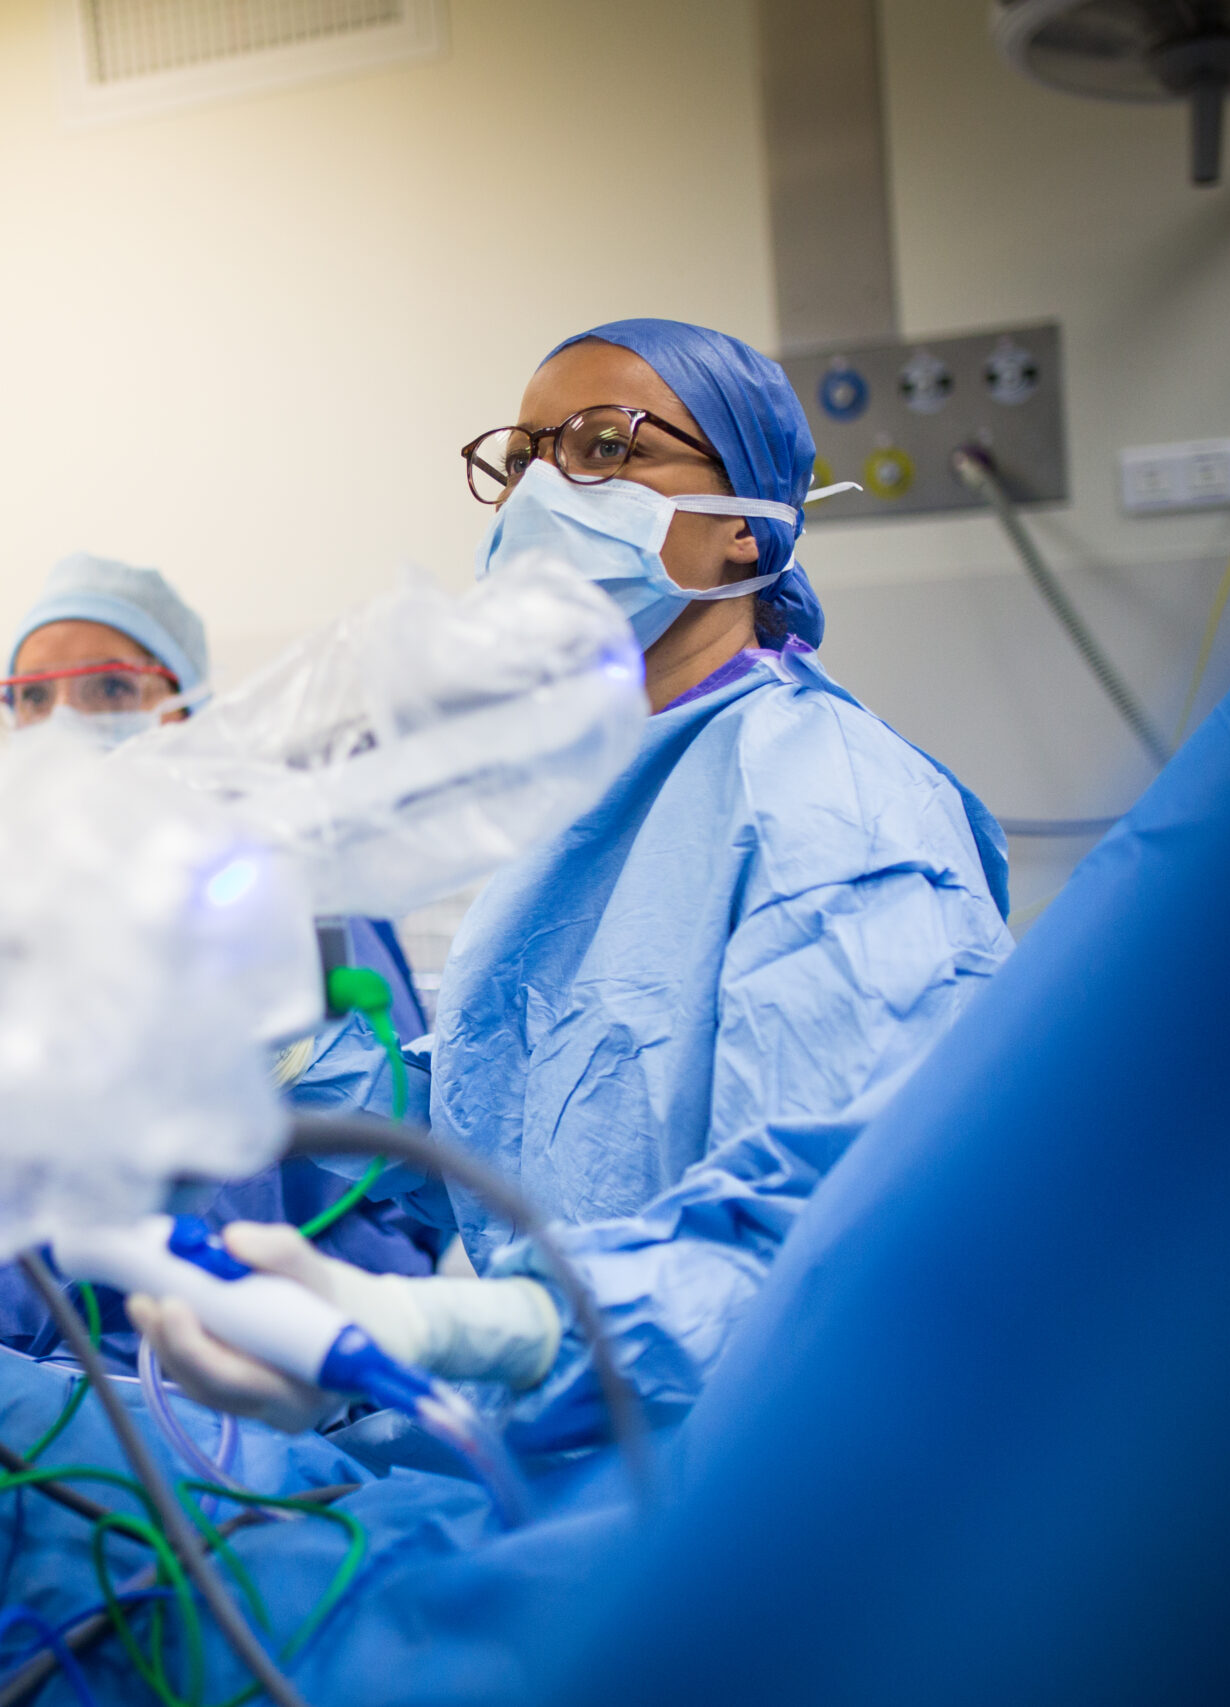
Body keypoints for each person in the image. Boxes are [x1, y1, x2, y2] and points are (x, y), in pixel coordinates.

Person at [138, 318, 1015, 1450]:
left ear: (747, 530)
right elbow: (496, 1086)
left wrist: (430, 1327)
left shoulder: (833, 806)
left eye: (606, 446)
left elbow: (831, 1251)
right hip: (555, 1430)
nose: (543, 491)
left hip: (722, 1481)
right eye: (522, 459)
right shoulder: (580, 790)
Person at [0, 551, 442, 1369]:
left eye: (109, 688)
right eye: (32, 698)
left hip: (260, 1357)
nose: (62, 724)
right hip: (25, 1354)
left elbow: (397, 1163)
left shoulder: (285, 883)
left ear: (184, 708)